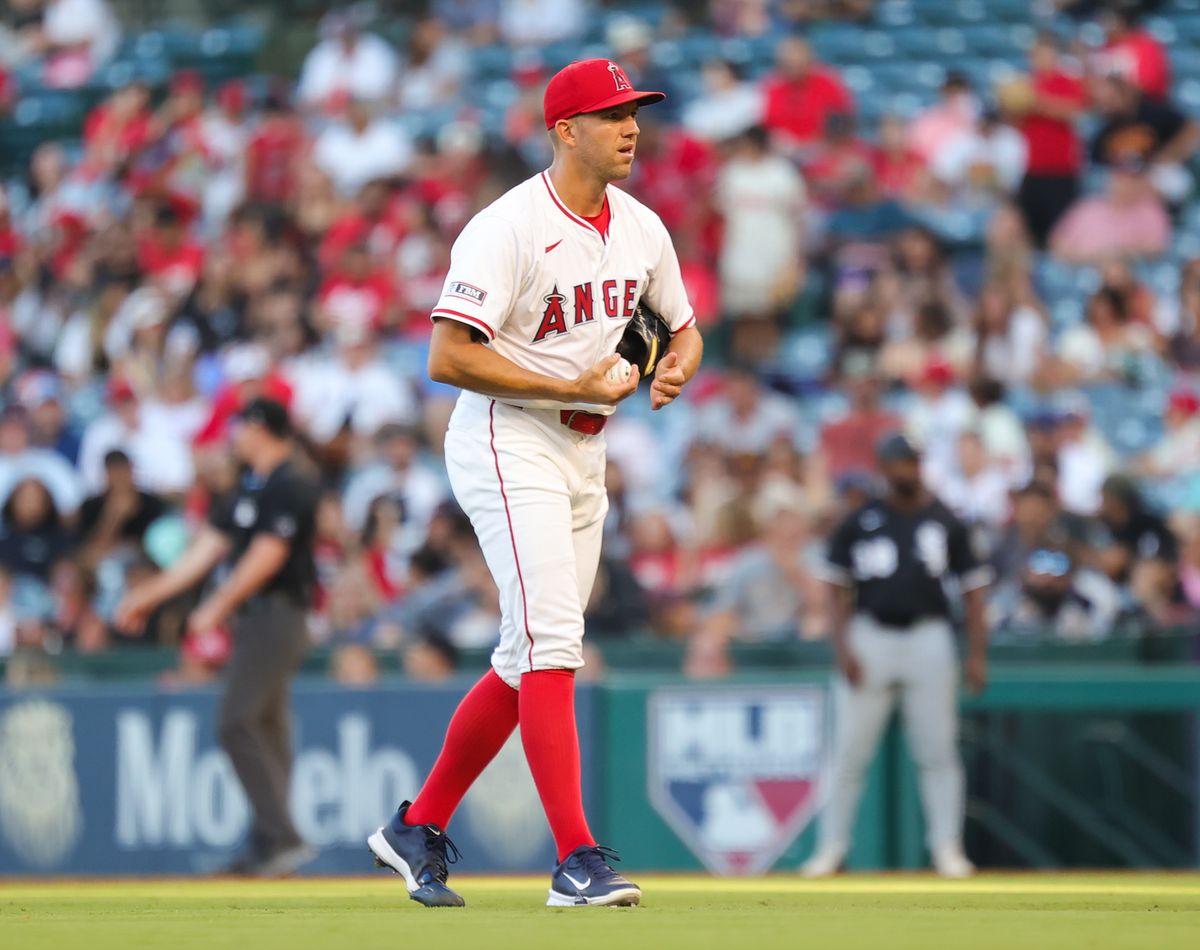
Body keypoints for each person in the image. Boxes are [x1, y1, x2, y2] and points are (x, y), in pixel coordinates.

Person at [367, 58, 702, 909]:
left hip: (583, 450)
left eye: (637, 113)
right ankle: (576, 858)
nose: (632, 127)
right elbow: (448, 355)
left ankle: (417, 824)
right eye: (613, 114)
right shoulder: (506, 226)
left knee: (526, 659)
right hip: (506, 438)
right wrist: (572, 388)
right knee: (555, 643)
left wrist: (676, 371)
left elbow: (684, 329)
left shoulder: (642, 228)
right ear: (565, 130)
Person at [115, 398, 319, 877]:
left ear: (258, 428)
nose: (233, 439)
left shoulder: (291, 482)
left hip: (278, 614)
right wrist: (148, 595)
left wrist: (217, 604)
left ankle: (283, 839)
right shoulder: (251, 487)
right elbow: (205, 549)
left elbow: (269, 553)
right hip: (255, 620)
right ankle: (269, 846)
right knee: (266, 727)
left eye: (238, 428)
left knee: (237, 721)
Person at [804, 433, 991, 879]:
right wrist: (843, 646)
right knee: (850, 751)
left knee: (938, 750)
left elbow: (974, 592)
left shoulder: (946, 519)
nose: (906, 469)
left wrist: (978, 654)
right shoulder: (862, 518)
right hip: (871, 634)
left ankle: (947, 847)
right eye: (898, 461)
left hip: (929, 634)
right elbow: (833, 588)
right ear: (884, 466)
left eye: (912, 461)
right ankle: (832, 848)